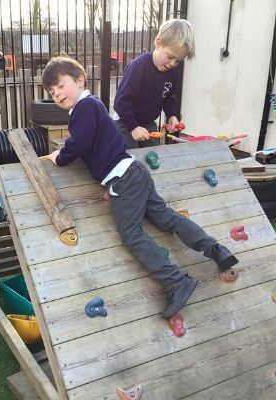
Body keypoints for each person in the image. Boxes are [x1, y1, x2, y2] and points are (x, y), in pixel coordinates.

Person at [41, 56, 239, 319]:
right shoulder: (95, 106)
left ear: (80, 80)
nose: (57, 94)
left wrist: (61, 156)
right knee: (167, 217)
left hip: (123, 178)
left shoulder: (83, 109)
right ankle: (217, 251)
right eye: (52, 93)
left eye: (60, 86)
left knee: (132, 234)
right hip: (133, 172)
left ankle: (175, 280)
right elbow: (103, 144)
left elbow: (80, 142)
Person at [113, 19, 195, 148]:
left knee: (154, 154)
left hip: (148, 123)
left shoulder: (172, 72)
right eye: (170, 57)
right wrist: (133, 127)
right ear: (158, 43)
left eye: (177, 61)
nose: (172, 63)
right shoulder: (138, 67)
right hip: (125, 121)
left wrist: (172, 115)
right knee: (130, 154)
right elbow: (121, 101)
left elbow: (169, 97)